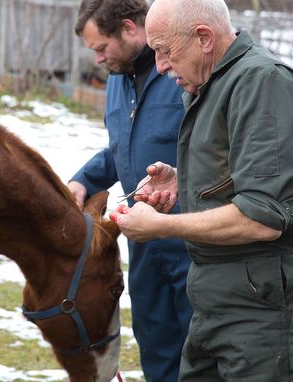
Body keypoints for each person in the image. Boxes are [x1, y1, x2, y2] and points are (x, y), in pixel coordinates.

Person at [110, 0, 293, 380]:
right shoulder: (215, 85)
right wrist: (182, 180)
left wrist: (160, 227)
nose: (160, 66)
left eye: (165, 51)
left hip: (271, 313)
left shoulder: (263, 83)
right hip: (221, 306)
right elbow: (243, 179)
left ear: (203, 38)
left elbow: (261, 218)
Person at [68, 1, 192, 380]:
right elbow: (123, 147)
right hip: (143, 246)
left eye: (101, 47)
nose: (99, 58)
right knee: (156, 348)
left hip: (193, 244)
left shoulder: (182, 73)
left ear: (129, 28)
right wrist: (83, 180)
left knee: (201, 353)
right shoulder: (118, 80)